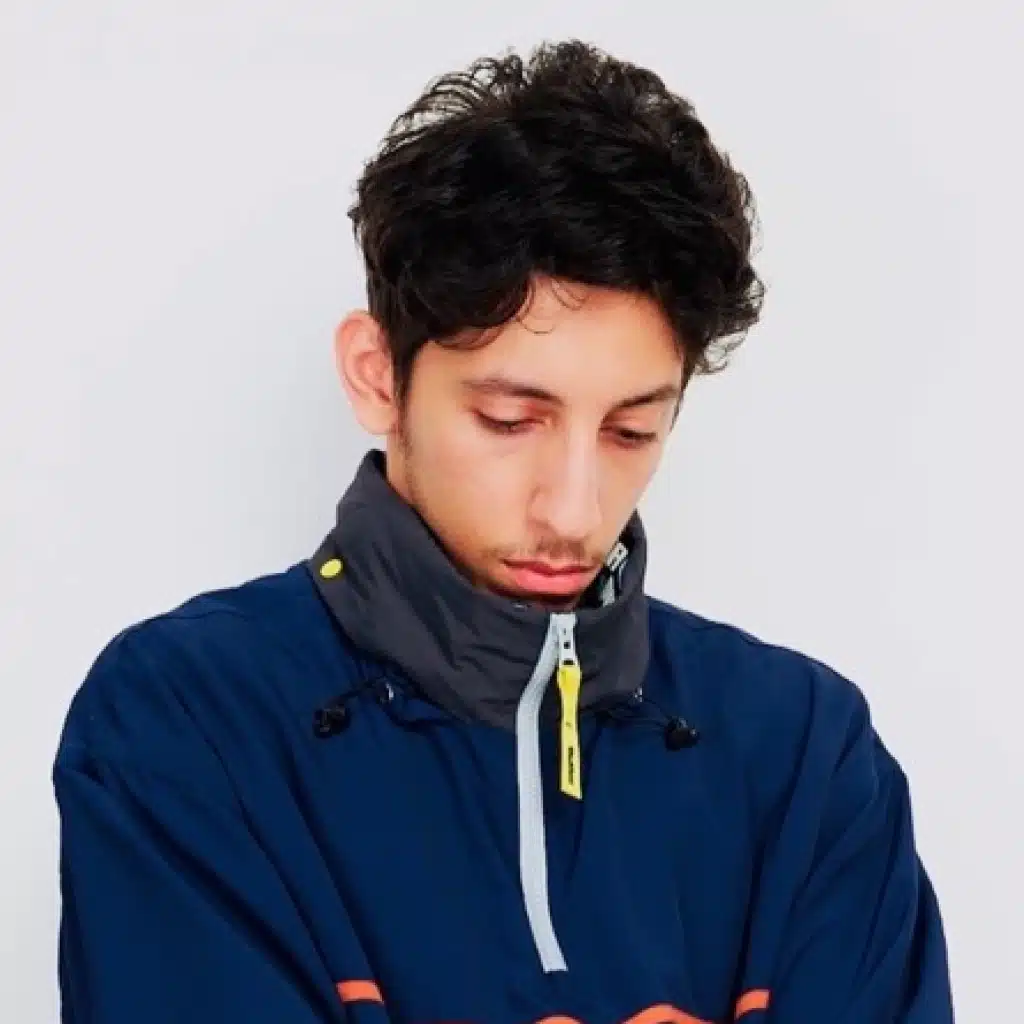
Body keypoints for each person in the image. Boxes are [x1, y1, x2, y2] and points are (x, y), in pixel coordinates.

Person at [53, 39, 954, 1024]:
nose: (572, 511)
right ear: (376, 376)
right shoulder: (187, 720)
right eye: (510, 421)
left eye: (630, 431)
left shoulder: (805, 757)